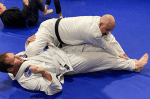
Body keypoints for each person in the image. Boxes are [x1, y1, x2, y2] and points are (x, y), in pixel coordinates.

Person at [0, 35, 148, 95]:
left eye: (15, 55)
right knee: (102, 58)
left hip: (59, 51)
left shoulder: (16, 61)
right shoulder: (26, 80)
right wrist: (43, 72)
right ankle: (134, 66)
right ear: (11, 68)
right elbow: (55, 89)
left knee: (96, 47)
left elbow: (28, 53)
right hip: (66, 64)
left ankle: (128, 61)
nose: (18, 57)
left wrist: (28, 43)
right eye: (15, 59)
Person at [25, 15, 129, 59]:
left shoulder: (100, 21)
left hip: (62, 42)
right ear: (101, 24)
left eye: (109, 30)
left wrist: (123, 53)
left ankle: (46, 47)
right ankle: (29, 44)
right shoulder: (93, 32)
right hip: (50, 29)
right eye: (107, 30)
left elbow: (111, 39)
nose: (107, 33)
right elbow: (106, 45)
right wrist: (117, 54)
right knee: (31, 52)